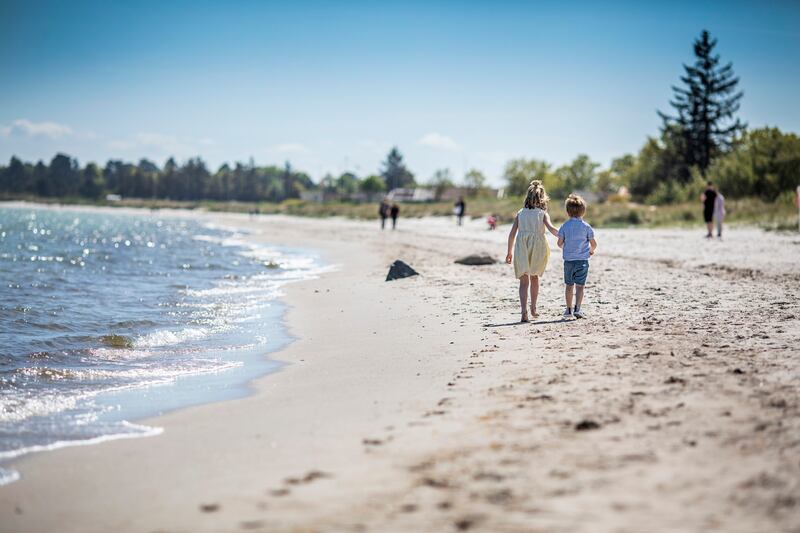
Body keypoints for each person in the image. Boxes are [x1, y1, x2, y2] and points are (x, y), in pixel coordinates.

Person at [505, 180, 559, 322]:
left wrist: (509, 252)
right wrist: (565, 235)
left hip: (521, 247)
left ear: (527, 197)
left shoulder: (520, 213)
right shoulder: (542, 214)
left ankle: (524, 311)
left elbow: (511, 234)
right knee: (534, 277)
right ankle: (533, 308)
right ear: (542, 199)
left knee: (524, 281)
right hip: (538, 248)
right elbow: (552, 229)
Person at [557, 194, 597, 319]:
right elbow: (594, 244)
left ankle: (568, 310)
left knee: (569, 285)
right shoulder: (586, 227)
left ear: (567, 212)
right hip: (582, 261)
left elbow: (559, 243)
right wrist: (591, 251)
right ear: (583, 211)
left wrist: (566, 248)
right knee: (580, 286)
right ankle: (578, 309)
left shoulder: (564, 226)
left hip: (568, 261)